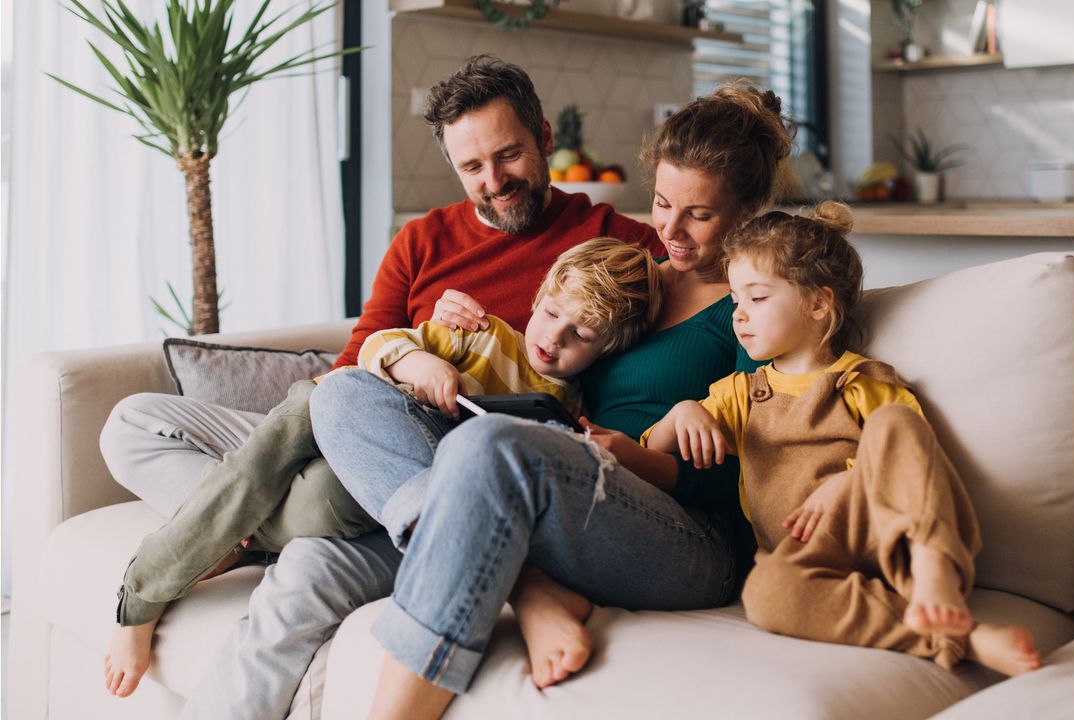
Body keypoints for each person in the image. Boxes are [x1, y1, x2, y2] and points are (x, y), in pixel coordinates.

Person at [96, 54, 661, 718]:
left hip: (440, 473)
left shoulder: (614, 247)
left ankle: (224, 525)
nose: (495, 182)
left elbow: (713, 285)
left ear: (543, 137)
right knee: (134, 422)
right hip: (361, 419)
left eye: (508, 156)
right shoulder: (422, 239)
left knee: (304, 568)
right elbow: (353, 363)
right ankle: (233, 518)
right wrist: (405, 365)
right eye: (472, 168)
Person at [306, 83, 792, 717]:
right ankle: (530, 586)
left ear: (751, 208)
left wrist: (649, 452)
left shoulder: (757, 306)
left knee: (488, 447)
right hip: (573, 491)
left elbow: (767, 477)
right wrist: (462, 337)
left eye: (698, 215)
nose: (669, 232)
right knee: (343, 394)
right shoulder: (632, 274)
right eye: (662, 203)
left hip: (692, 540)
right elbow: (549, 352)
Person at [101, 238, 661, 698]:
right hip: (319, 418)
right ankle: (234, 527)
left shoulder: (568, 418)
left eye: (580, 336)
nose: (553, 338)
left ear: (608, 348)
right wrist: (417, 360)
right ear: (538, 297)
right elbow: (379, 345)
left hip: (372, 483)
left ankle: (197, 551)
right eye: (551, 314)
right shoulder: (482, 334)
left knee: (320, 496)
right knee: (134, 421)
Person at [643, 203, 1043, 677]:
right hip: (806, 555)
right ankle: (960, 637)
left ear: (818, 303)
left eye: (758, 298)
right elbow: (654, 447)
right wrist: (683, 411)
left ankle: (936, 566)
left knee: (895, 421)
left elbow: (914, 455)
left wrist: (849, 483)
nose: (740, 316)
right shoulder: (740, 394)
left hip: (883, 533)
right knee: (765, 595)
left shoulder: (860, 380)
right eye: (735, 301)